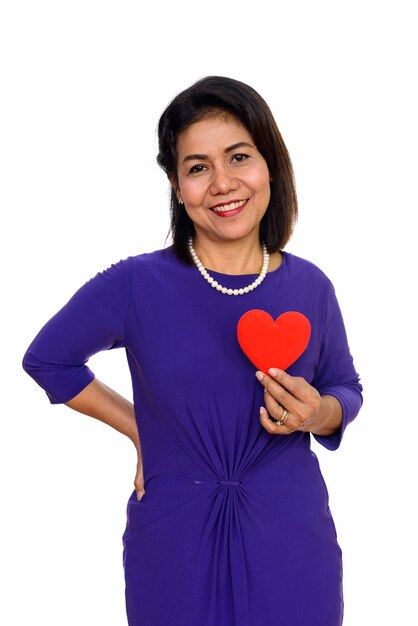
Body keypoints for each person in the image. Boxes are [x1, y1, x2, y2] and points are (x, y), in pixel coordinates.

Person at [21, 75, 363, 626]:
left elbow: (345, 387)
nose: (223, 183)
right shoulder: (137, 283)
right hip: (174, 531)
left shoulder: (312, 286)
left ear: (270, 165)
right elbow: (47, 359)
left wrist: (319, 411)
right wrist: (141, 430)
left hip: (292, 531)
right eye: (198, 167)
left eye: (239, 157)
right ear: (179, 188)